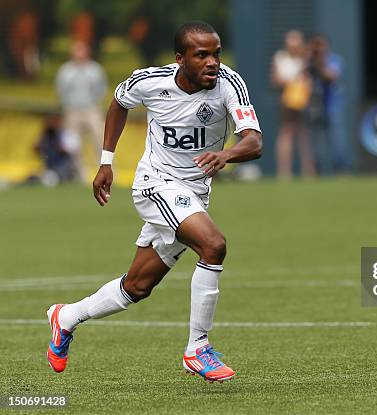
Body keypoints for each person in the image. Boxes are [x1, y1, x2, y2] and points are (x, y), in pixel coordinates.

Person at [46, 21, 263, 383]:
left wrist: (226, 154)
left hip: (194, 195)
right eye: (202, 55)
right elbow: (118, 103)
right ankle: (198, 348)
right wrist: (105, 162)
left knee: (137, 287)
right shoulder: (149, 81)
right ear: (180, 59)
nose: (213, 62)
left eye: (216, 53)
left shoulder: (229, 83)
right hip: (155, 185)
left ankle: (65, 317)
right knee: (214, 245)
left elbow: (254, 142)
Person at [55, 40, 107, 182]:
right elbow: (61, 91)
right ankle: (80, 176)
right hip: (72, 111)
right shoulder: (66, 71)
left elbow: (101, 90)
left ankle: (106, 173)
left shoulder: (95, 70)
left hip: (91, 109)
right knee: (73, 145)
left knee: (101, 141)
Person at [271, 29, 315, 179]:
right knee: (286, 134)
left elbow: (309, 79)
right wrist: (289, 81)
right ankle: (284, 173)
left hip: (303, 100)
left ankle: (308, 172)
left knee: (304, 135)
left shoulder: (305, 59)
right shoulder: (280, 58)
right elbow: (275, 79)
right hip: (287, 101)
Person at [306, 34, 351, 174]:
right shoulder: (308, 62)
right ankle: (317, 170)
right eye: (315, 45)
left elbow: (330, 76)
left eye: (320, 45)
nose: (318, 48)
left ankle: (341, 169)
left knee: (337, 138)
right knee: (315, 141)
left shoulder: (334, 59)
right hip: (315, 105)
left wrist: (318, 63)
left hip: (333, 104)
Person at [34, 113, 77, 186]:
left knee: (52, 178)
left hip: (64, 168)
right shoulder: (46, 135)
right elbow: (36, 149)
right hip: (50, 167)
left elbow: (70, 152)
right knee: (36, 176)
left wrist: (57, 143)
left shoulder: (65, 134)